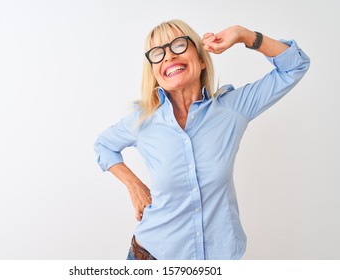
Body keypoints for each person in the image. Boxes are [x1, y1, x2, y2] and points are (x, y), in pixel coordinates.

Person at [94, 19, 310, 260]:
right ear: (154, 71)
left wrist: (244, 35)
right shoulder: (142, 120)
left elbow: (296, 66)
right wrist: (134, 185)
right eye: (157, 53)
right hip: (152, 256)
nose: (168, 57)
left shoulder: (232, 109)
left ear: (200, 59)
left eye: (178, 45)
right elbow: (103, 145)